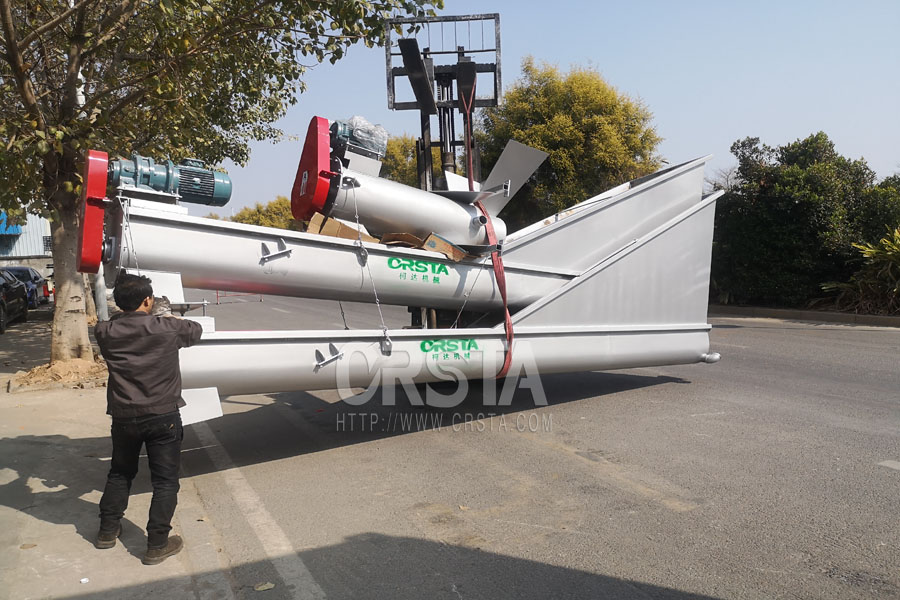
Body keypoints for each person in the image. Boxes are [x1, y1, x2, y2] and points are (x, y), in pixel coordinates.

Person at [93, 273, 203, 565]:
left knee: (120, 473)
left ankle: (107, 531)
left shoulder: (104, 332)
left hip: (124, 416)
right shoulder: (167, 328)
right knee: (165, 482)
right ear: (147, 300)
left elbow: (116, 323)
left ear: (119, 303)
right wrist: (166, 314)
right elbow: (196, 330)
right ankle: (156, 544)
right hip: (163, 415)